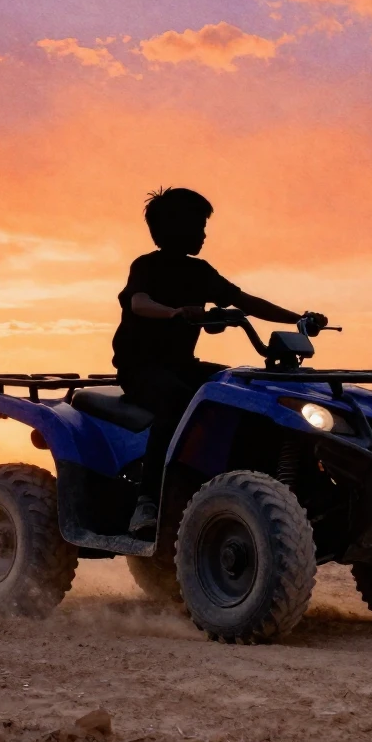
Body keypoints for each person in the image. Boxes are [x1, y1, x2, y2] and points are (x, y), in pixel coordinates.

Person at [112, 187, 327, 536]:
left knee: (244, 389)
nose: (204, 234)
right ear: (173, 228)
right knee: (177, 403)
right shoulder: (146, 266)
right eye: (198, 226)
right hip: (141, 368)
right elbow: (139, 303)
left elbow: (246, 301)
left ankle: (266, 481)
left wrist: (299, 318)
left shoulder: (200, 272)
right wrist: (175, 313)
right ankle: (147, 500)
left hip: (183, 365)